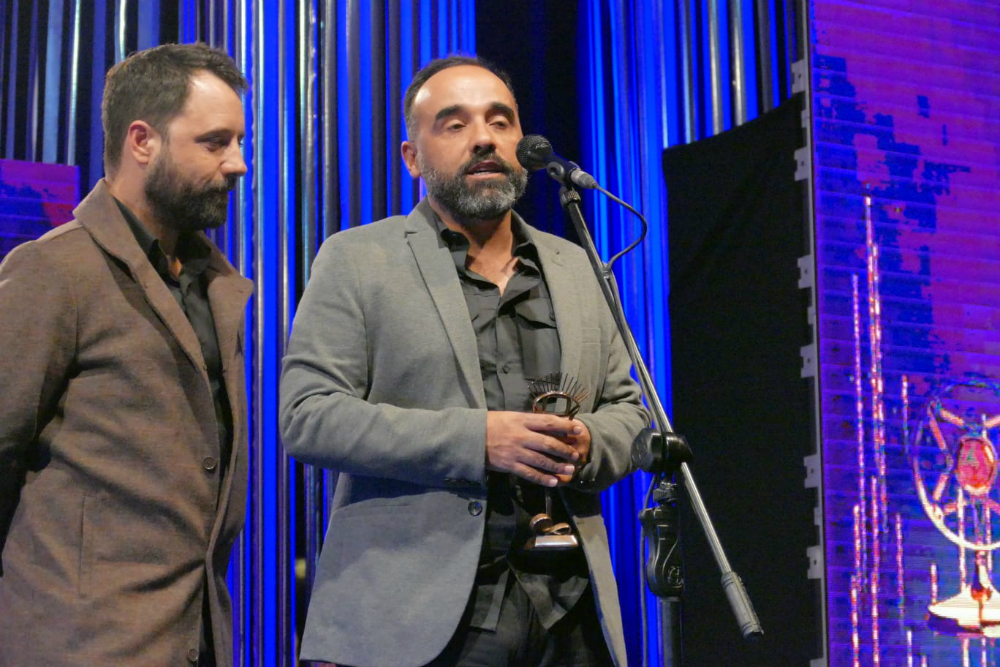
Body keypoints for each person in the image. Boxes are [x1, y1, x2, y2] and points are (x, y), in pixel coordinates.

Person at [280, 55, 649, 667]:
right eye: (454, 125)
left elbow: (631, 412)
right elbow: (309, 416)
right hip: (415, 617)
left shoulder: (579, 264)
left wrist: (587, 442)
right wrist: (477, 440)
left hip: (569, 612)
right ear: (411, 157)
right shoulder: (357, 259)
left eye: (500, 122)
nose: (483, 138)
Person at [0, 43, 252, 667]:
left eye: (239, 142)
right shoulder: (53, 269)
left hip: (195, 638)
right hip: (78, 641)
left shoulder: (214, 281)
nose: (238, 164)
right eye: (215, 142)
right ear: (143, 140)